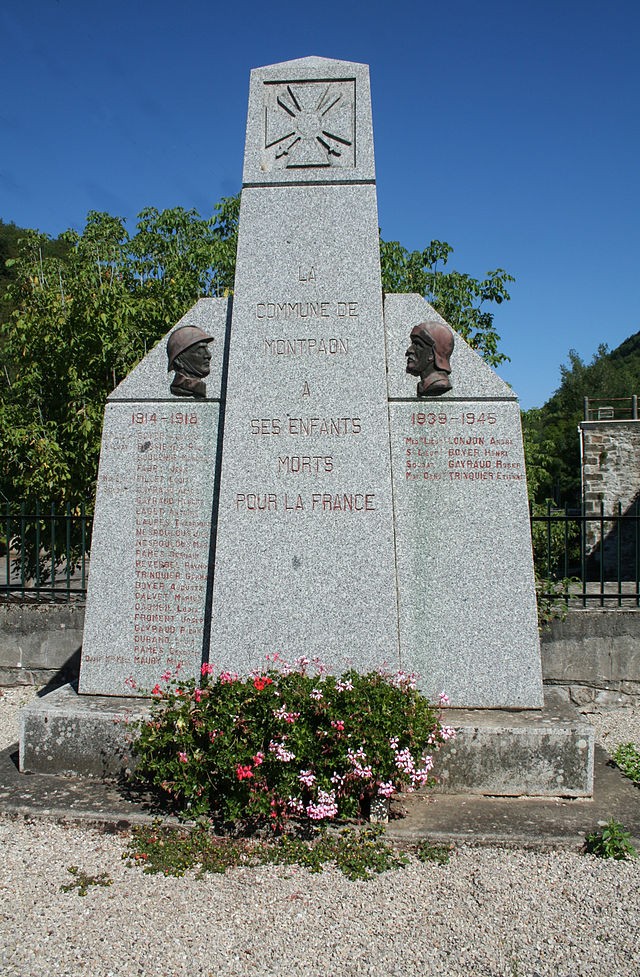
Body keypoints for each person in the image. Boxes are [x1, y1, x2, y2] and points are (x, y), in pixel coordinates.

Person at [405, 321, 454, 397]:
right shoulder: (424, 385)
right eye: (412, 344)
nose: (409, 350)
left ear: (432, 354)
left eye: (418, 345)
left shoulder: (439, 384)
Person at [166, 325, 214, 399]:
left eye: (206, 349)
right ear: (178, 360)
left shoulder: (199, 388)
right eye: (200, 350)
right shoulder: (181, 388)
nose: (208, 355)